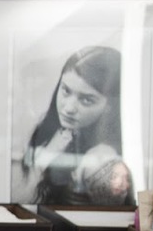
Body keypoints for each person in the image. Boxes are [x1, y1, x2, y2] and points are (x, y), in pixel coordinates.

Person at [20, 45, 133, 205]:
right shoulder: (58, 131)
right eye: (66, 91)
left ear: (110, 106)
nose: (69, 108)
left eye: (86, 100)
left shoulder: (102, 161)